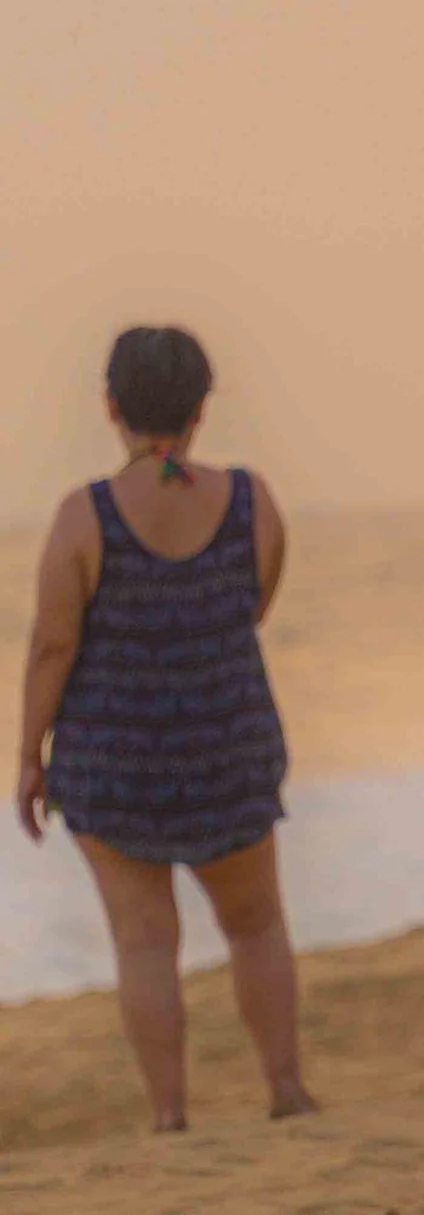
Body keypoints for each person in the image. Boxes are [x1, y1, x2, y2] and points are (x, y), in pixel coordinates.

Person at [17, 327, 314, 1132]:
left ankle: (170, 1115)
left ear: (112, 405)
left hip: (116, 763)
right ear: (201, 408)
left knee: (146, 943)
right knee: (255, 923)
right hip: (229, 746)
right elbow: (250, 606)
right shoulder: (254, 501)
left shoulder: (85, 515)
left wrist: (28, 758)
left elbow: (51, 646)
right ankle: (285, 1091)